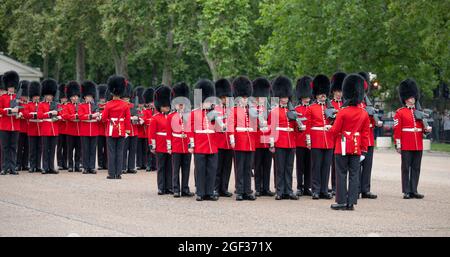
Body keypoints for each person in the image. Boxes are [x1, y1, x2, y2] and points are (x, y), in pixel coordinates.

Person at [328, 74, 370, 211]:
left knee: (341, 174)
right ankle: (351, 202)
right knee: (354, 174)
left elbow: (335, 131)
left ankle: (341, 201)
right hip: (357, 146)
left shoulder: (343, 112)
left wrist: (329, 127)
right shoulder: (363, 113)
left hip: (343, 145)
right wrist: (364, 150)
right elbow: (365, 133)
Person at [394, 78, 432, 199]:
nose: (413, 99)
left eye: (414, 97)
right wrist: (398, 144)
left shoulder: (419, 112)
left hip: (417, 144)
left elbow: (422, 129)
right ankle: (406, 191)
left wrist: (426, 130)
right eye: (411, 97)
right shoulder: (400, 112)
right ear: (406, 99)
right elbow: (397, 130)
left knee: (416, 168)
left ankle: (414, 190)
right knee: (405, 168)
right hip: (406, 143)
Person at [268, 76, 298, 200]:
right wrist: (271, 144)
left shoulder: (293, 111)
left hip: (291, 141)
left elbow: (296, 128)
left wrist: (297, 122)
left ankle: (289, 190)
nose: (285, 99)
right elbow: (271, 128)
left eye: (286, 97)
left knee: (289, 167)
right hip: (280, 141)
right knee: (280, 168)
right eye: (283, 97)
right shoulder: (274, 111)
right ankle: (280, 191)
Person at [189, 79, 219, 201]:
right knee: (200, 169)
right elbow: (190, 130)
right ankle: (200, 192)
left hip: (212, 144)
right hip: (200, 144)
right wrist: (191, 144)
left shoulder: (214, 113)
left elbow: (218, 129)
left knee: (211, 169)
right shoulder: (194, 113)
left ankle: (210, 192)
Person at [305, 74, 334, 200]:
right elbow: (307, 126)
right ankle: (315, 190)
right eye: (320, 93)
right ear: (316, 94)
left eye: (324, 93)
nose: (323, 95)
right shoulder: (311, 108)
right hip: (316, 139)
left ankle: (324, 190)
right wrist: (309, 141)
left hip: (328, 139)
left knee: (326, 166)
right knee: (316, 166)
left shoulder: (330, 108)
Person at [231, 76, 257, 201]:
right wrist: (232, 139)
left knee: (248, 168)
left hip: (250, 141)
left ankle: (248, 190)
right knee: (240, 167)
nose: (245, 99)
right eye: (243, 97)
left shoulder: (252, 110)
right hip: (240, 141)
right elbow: (231, 126)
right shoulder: (234, 110)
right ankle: (240, 191)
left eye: (246, 97)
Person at [101, 75, 131, 179]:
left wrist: (110, 120)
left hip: (110, 130)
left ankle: (111, 173)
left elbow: (104, 118)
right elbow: (128, 119)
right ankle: (118, 174)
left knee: (111, 152)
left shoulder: (108, 104)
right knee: (120, 152)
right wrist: (127, 131)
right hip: (121, 129)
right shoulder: (125, 105)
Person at [167, 82, 194, 198]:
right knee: (175, 169)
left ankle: (185, 189)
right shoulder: (170, 116)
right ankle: (176, 189)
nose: (181, 105)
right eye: (179, 103)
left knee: (187, 169)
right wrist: (169, 146)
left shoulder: (189, 115)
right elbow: (169, 133)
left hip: (186, 145)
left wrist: (191, 144)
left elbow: (191, 131)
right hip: (176, 144)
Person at [358, 71, 380, 199]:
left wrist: (375, 120)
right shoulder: (355, 103)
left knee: (367, 165)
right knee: (357, 165)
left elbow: (372, 121)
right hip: (358, 137)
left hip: (369, 138)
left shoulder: (368, 102)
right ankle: (356, 188)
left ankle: (365, 189)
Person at [252, 77, 275, 197]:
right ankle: (257, 188)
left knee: (267, 165)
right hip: (257, 141)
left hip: (267, 140)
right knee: (257, 165)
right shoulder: (251, 110)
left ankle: (266, 187)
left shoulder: (269, 109)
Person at [149, 86, 173, 194]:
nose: (167, 108)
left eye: (168, 106)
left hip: (170, 145)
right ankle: (161, 187)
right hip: (160, 144)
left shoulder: (172, 116)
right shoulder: (155, 118)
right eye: (164, 106)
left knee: (170, 167)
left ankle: (169, 187)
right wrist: (152, 146)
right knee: (161, 167)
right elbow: (151, 133)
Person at [213, 78, 235, 198]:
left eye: (226, 97)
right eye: (223, 97)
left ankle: (224, 188)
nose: (225, 99)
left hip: (229, 143)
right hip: (218, 142)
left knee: (227, 167)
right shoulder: (215, 109)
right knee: (218, 167)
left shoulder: (231, 110)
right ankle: (215, 188)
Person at [0, 71, 22, 175]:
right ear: (7, 87)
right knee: (5, 147)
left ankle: (12, 167)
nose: (11, 88)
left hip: (15, 126)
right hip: (4, 126)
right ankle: (4, 168)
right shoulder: (2, 98)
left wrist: (20, 113)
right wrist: (8, 111)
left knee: (13, 147)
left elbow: (24, 110)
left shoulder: (18, 99)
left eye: (13, 87)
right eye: (9, 87)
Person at [294, 76, 313, 196]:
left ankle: (307, 187)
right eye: (305, 97)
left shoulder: (313, 108)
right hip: (300, 140)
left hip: (311, 140)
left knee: (309, 165)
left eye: (308, 97)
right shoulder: (296, 109)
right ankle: (299, 187)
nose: (307, 99)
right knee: (300, 165)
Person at [329, 72, 346, 195]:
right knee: (331, 163)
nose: (339, 94)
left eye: (341, 91)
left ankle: (339, 185)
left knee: (341, 163)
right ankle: (332, 185)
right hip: (332, 136)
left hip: (344, 137)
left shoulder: (346, 104)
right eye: (337, 91)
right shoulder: (330, 104)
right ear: (334, 91)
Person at [38, 79, 60, 174]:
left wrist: (58, 114)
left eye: (51, 95)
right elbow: (39, 115)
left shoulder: (56, 105)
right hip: (46, 129)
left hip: (54, 129)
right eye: (48, 95)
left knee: (52, 149)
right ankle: (45, 167)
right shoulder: (41, 104)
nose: (49, 97)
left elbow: (61, 114)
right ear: (45, 95)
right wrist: (50, 113)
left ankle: (51, 167)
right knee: (45, 148)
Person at [79, 80, 100, 174]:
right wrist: (92, 116)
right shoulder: (81, 106)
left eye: (91, 96)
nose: (89, 98)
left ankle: (91, 167)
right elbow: (80, 116)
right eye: (88, 96)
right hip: (85, 130)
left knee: (92, 149)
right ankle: (85, 167)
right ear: (84, 97)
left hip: (94, 130)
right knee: (85, 149)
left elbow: (99, 116)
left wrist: (98, 116)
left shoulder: (95, 106)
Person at [22, 81, 42, 173]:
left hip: (40, 130)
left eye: (37, 96)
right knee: (32, 149)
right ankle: (32, 165)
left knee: (39, 148)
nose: (36, 98)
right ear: (32, 96)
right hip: (32, 129)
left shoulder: (41, 104)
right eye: (35, 96)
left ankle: (38, 166)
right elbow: (25, 114)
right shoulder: (28, 104)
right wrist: (34, 115)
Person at [61, 81, 82, 172]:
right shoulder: (67, 106)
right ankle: (70, 165)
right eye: (73, 96)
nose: (75, 98)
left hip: (79, 131)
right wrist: (74, 116)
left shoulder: (81, 106)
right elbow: (65, 115)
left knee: (78, 149)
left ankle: (77, 165)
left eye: (76, 96)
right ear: (70, 97)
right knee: (70, 150)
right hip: (70, 131)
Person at [122, 84, 139, 174]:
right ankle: (123, 167)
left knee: (132, 151)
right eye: (124, 99)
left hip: (134, 132)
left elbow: (139, 116)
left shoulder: (133, 106)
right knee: (124, 150)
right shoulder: (120, 106)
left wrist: (136, 118)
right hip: (125, 131)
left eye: (127, 99)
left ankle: (131, 167)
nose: (126, 101)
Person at [16, 80, 30, 172]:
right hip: (20, 128)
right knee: (19, 147)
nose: (25, 97)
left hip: (28, 128)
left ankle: (25, 164)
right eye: (24, 96)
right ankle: (18, 164)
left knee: (27, 148)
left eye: (26, 96)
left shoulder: (29, 103)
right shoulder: (18, 103)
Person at [142, 87, 156, 172]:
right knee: (148, 150)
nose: (151, 104)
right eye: (150, 102)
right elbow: (145, 120)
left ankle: (154, 165)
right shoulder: (146, 111)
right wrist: (151, 121)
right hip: (148, 133)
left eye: (152, 102)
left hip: (155, 134)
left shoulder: (157, 111)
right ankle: (148, 165)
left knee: (156, 149)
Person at [134, 86, 147, 171]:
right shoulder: (136, 111)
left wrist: (144, 120)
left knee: (145, 150)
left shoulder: (146, 110)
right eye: (140, 103)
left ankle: (144, 163)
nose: (141, 105)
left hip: (145, 133)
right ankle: (139, 163)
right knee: (139, 150)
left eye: (142, 103)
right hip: (139, 133)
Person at [56, 83, 69, 171]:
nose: (64, 99)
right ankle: (59, 163)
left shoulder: (68, 106)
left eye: (65, 97)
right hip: (60, 129)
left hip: (67, 129)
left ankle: (65, 163)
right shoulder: (58, 106)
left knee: (66, 148)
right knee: (60, 147)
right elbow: (57, 116)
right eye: (63, 97)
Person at [96, 84, 108, 170]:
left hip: (106, 130)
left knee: (107, 148)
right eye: (101, 99)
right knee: (100, 148)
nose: (102, 100)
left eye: (103, 99)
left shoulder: (107, 106)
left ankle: (106, 163)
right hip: (99, 131)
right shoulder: (97, 106)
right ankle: (100, 164)